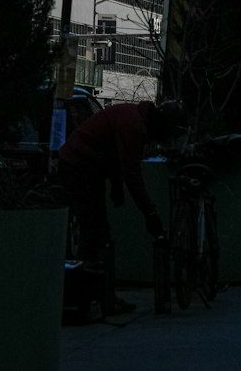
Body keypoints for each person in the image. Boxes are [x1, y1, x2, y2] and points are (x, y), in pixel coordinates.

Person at [58, 98, 186, 313]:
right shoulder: (134, 126)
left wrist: (117, 185)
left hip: (81, 166)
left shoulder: (133, 116)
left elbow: (113, 156)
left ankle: (93, 294)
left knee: (95, 232)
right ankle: (92, 295)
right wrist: (150, 213)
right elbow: (132, 174)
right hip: (78, 169)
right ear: (162, 124)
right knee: (96, 233)